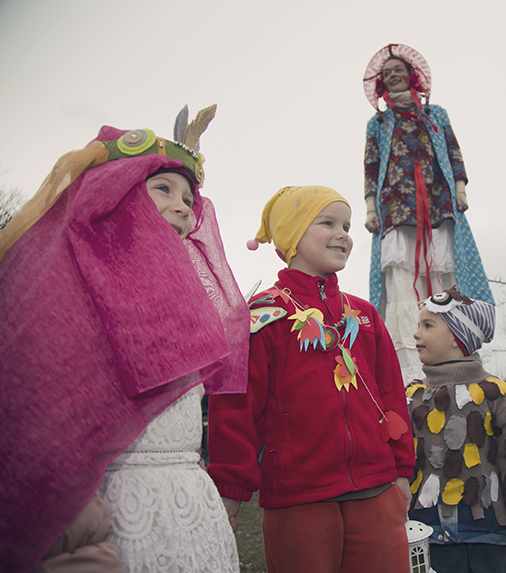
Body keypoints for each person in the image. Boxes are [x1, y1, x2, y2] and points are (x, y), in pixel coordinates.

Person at [0, 110, 249, 572]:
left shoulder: (188, 307)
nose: (183, 207)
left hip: (193, 507)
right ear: (117, 194)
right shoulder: (71, 289)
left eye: (188, 198)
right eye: (163, 189)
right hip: (117, 512)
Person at [208, 185, 415, 573]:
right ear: (293, 234)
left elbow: (391, 395)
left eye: (347, 226)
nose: (343, 234)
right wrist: (231, 486)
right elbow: (236, 406)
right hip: (298, 497)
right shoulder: (262, 317)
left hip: (376, 490)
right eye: (328, 223)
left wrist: (401, 469)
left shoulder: (365, 315)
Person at [363, 43, 494, 385]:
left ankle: (454, 360)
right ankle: (410, 375)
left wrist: (460, 189)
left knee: (444, 277)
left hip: (437, 202)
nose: (393, 75)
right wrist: (370, 207)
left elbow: (453, 150)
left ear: (412, 75)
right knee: (402, 283)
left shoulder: (435, 114)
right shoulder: (379, 122)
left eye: (398, 70)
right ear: (381, 82)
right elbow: (371, 166)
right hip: (396, 207)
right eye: (387, 73)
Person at [407, 287, 506, 573]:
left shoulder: (495, 394)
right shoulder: (413, 398)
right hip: (428, 536)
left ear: (457, 338)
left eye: (427, 325)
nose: (416, 334)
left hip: (485, 534)